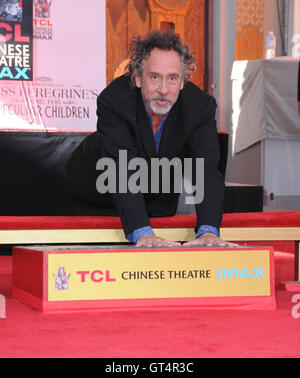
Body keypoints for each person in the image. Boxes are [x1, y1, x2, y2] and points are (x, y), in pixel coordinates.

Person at [66, 30, 234, 248]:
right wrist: (142, 231)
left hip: (155, 202)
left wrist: (209, 231)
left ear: (182, 81)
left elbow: (205, 170)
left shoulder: (199, 107)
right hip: (96, 193)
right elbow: (120, 166)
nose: (164, 90)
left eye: (172, 78)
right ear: (138, 77)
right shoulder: (115, 100)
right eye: (154, 77)